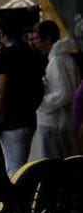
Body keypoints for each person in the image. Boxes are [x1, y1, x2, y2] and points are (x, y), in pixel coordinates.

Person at [0, 16, 47, 178]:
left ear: (3, 34)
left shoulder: (5, 55)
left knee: (15, 170)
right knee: (24, 167)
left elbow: (1, 89)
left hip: (11, 120)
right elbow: (40, 87)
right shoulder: (32, 54)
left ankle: (17, 202)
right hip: (29, 118)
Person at [31, 21, 81, 160]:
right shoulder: (62, 58)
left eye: (37, 38)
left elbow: (64, 93)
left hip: (54, 123)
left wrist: (41, 102)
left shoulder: (58, 61)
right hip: (57, 121)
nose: (35, 42)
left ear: (47, 39)